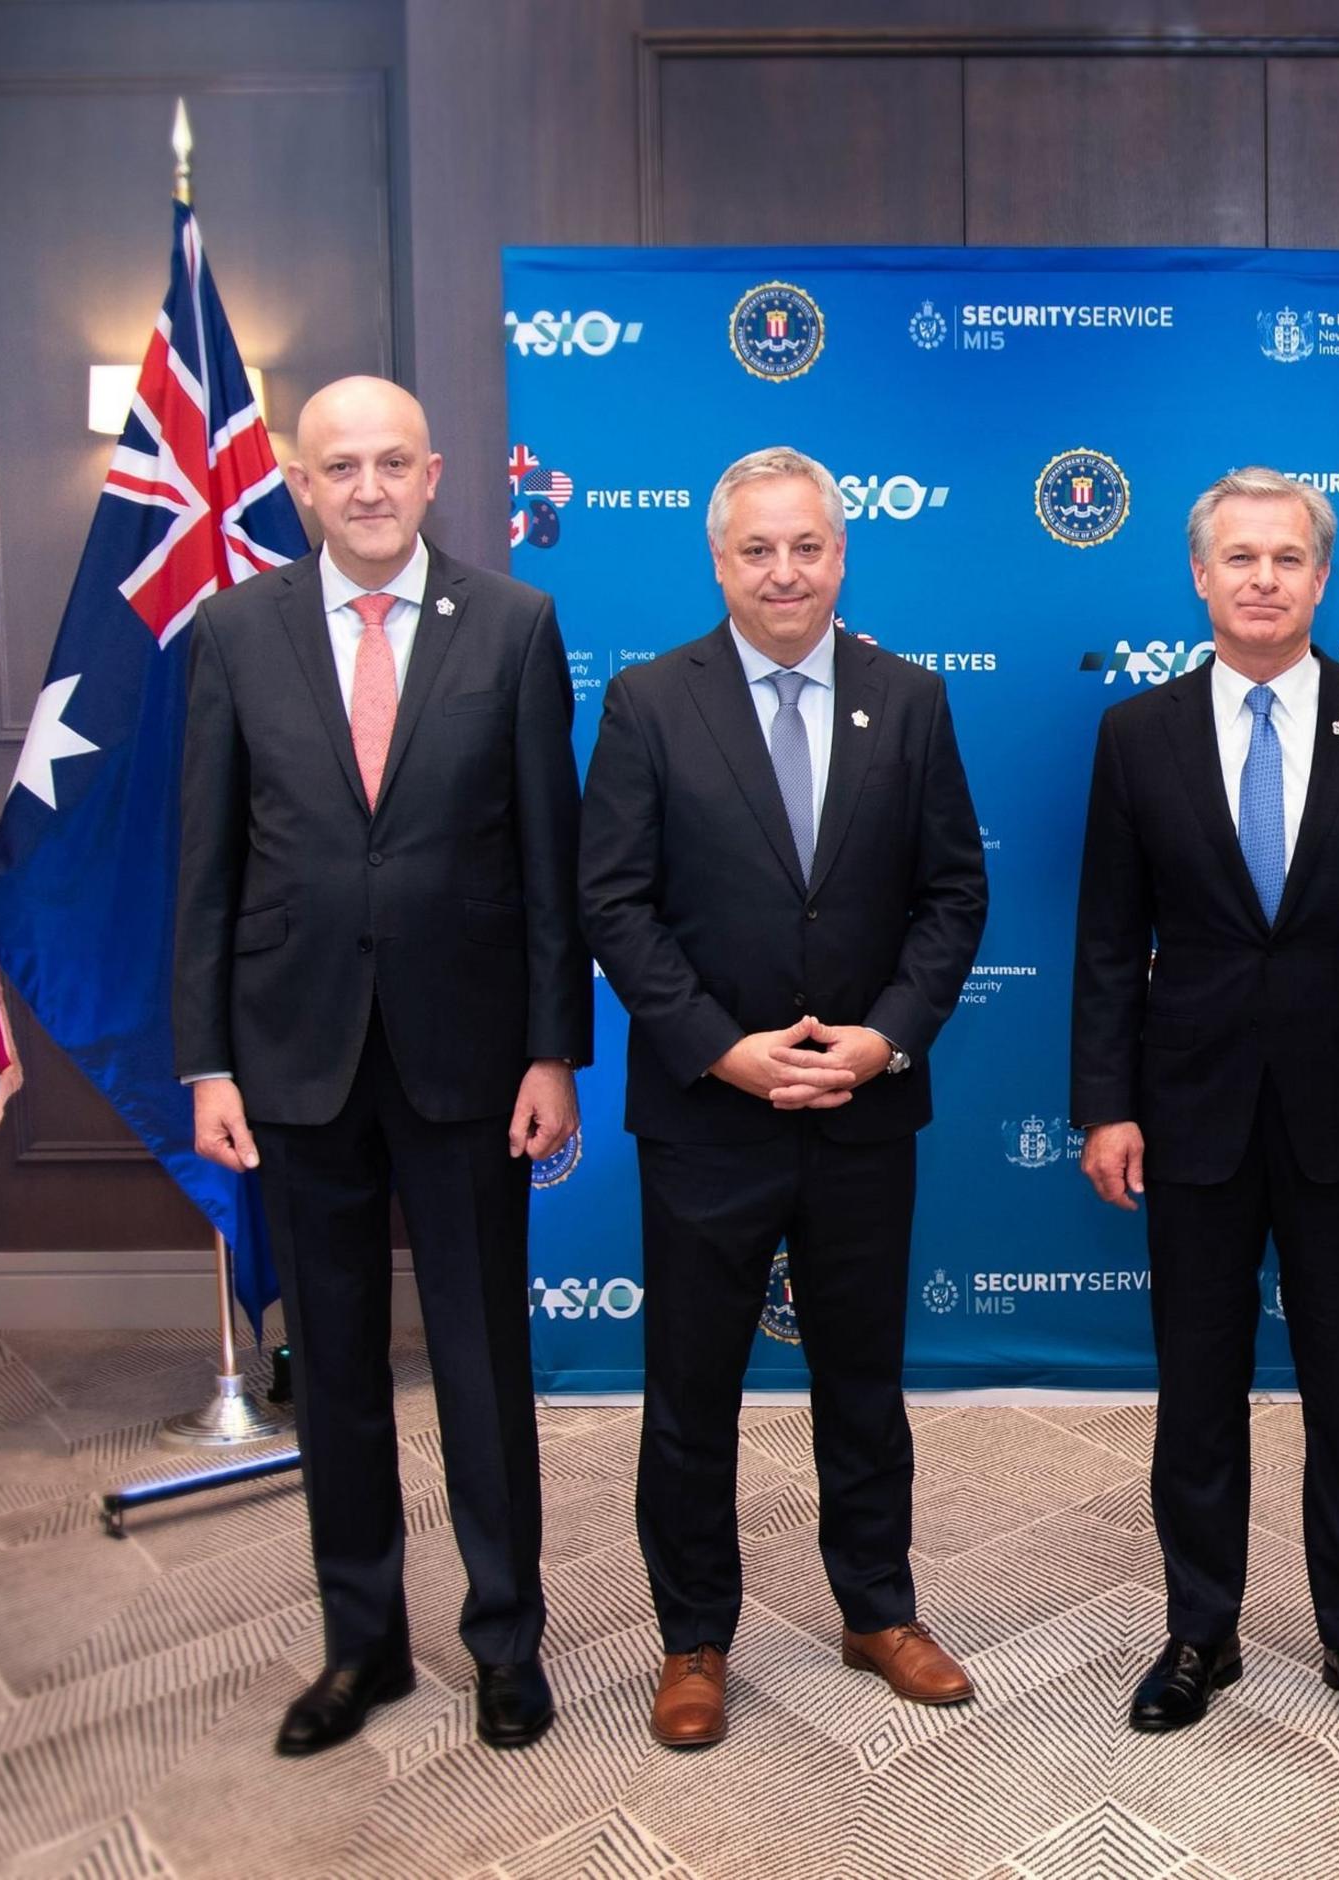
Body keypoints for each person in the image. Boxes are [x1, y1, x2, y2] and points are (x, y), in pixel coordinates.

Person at [174, 375, 587, 1755]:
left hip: (471, 1058)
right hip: (292, 1059)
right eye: (337, 465)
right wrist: (207, 1064)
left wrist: (554, 1051)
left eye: (390, 462)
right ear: (299, 485)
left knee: (482, 1365)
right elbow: (208, 868)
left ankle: (504, 1643)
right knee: (335, 1369)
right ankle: (363, 1648)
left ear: (434, 475)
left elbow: (549, 862)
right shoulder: (236, 630)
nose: (364, 486)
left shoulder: (516, 626)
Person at [579, 445, 991, 1750]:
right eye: (757, 550)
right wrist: (722, 1048)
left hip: (863, 1113)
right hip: (708, 1114)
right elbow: (615, 904)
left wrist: (882, 1042)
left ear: (842, 553)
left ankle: (880, 1609)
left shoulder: (909, 700)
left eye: (806, 546)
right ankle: (693, 1637)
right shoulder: (649, 703)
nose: (784, 572)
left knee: (862, 1384)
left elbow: (951, 901)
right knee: (691, 1393)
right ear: (718, 562)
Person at [1069, 467, 1339, 1740]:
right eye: (1237, 557)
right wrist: (1105, 1102)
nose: (1261, 577)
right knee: (1198, 1384)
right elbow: (1103, 940)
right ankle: (1200, 1630)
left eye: (1286, 558)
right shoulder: (1136, 734)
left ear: (1321, 577)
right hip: (1185, 1109)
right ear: (1199, 575)